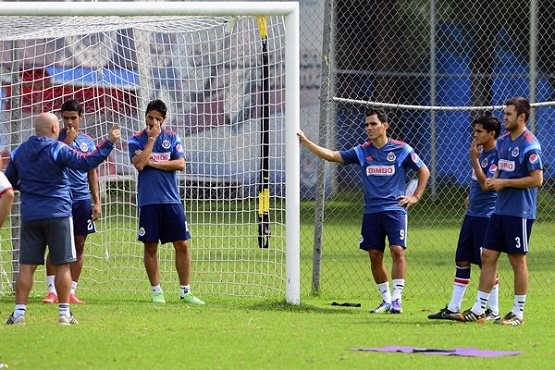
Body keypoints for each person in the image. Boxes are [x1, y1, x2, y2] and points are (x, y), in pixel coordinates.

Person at [297, 108, 430, 314]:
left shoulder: (402, 149)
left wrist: (415, 197)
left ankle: (397, 298)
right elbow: (332, 156)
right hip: (371, 211)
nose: (369, 128)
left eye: (373, 124)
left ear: (385, 126)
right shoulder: (362, 151)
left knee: (397, 250)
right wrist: (306, 142)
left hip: (395, 209)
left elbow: (424, 170)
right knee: (375, 254)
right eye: (366, 124)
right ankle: (385, 300)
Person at [4, 112, 120, 325]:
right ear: (55, 130)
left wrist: (29, 187)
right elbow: (87, 163)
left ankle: (19, 313)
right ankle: (64, 314)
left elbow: (9, 180)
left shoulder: (19, 152)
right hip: (58, 213)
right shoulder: (59, 149)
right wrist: (109, 142)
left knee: (27, 265)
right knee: (64, 264)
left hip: (30, 215)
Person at [453, 97, 543, 325]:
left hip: (519, 212)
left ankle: (517, 313)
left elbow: (537, 179)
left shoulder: (530, 145)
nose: (504, 118)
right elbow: (500, 173)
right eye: (504, 114)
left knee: (516, 260)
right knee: (487, 256)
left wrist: (505, 184)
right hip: (499, 212)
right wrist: (493, 182)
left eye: (509, 115)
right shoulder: (502, 143)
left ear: (521, 117)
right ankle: (479, 309)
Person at [128, 99, 204, 305]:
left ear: (164, 120)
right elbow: (140, 165)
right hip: (148, 201)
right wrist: (151, 140)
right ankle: (156, 291)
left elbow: (180, 164)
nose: (153, 122)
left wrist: (154, 162)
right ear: (145, 116)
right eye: (150, 117)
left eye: (158, 119)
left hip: (171, 200)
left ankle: (185, 291)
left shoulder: (172, 137)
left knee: (182, 244)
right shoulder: (136, 140)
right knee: (150, 246)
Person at [428, 113, 501, 320]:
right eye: (474, 130)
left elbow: (487, 186)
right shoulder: (479, 153)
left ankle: (492, 310)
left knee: (485, 263)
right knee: (462, 259)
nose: (474, 134)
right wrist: (470, 198)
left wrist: (475, 162)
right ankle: (453, 307)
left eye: (479, 131)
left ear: (491, 134)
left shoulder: (496, 154)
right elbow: (477, 183)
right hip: (472, 214)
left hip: (487, 216)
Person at [42, 99, 101, 305]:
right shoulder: (54, 140)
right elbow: (50, 161)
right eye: (65, 118)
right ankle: (51, 291)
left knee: (79, 243)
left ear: (81, 117)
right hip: (59, 198)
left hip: (81, 199)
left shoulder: (87, 141)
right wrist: (67, 140)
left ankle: (71, 291)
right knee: (56, 243)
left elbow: (92, 171)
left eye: (73, 118)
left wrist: (97, 201)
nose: (69, 122)